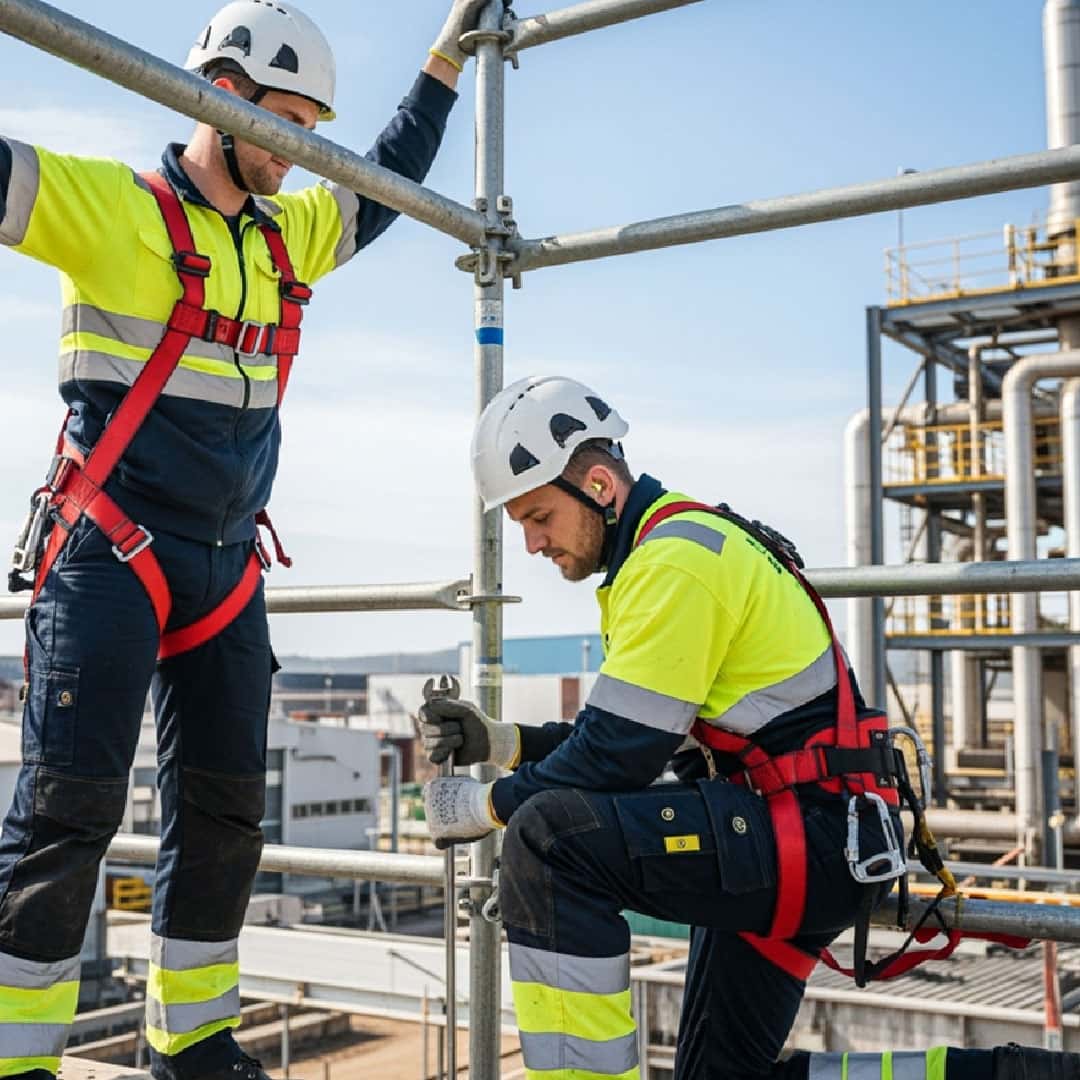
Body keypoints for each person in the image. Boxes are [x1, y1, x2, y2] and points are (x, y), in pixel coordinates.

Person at [0, 3, 487, 1078]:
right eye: (287, 119)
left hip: (224, 570)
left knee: (223, 815)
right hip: (110, 554)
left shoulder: (287, 232)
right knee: (64, 813)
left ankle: (197, 1043)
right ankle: (16, 1060)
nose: (302, 144)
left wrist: (447, 52)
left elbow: (389, 174)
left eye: (315, 122)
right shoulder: (104, 207)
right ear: (218, 97)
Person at [420, 375, 1080, 1080]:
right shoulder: (669, 546)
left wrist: (486, 805)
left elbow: (618, 756)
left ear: (601, 487)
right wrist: (503, 742)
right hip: (804, 833)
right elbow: (631, 733)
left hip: (802, 838)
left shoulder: (673, 562)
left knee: (550, 839)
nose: (531, 543)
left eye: (539, 516)